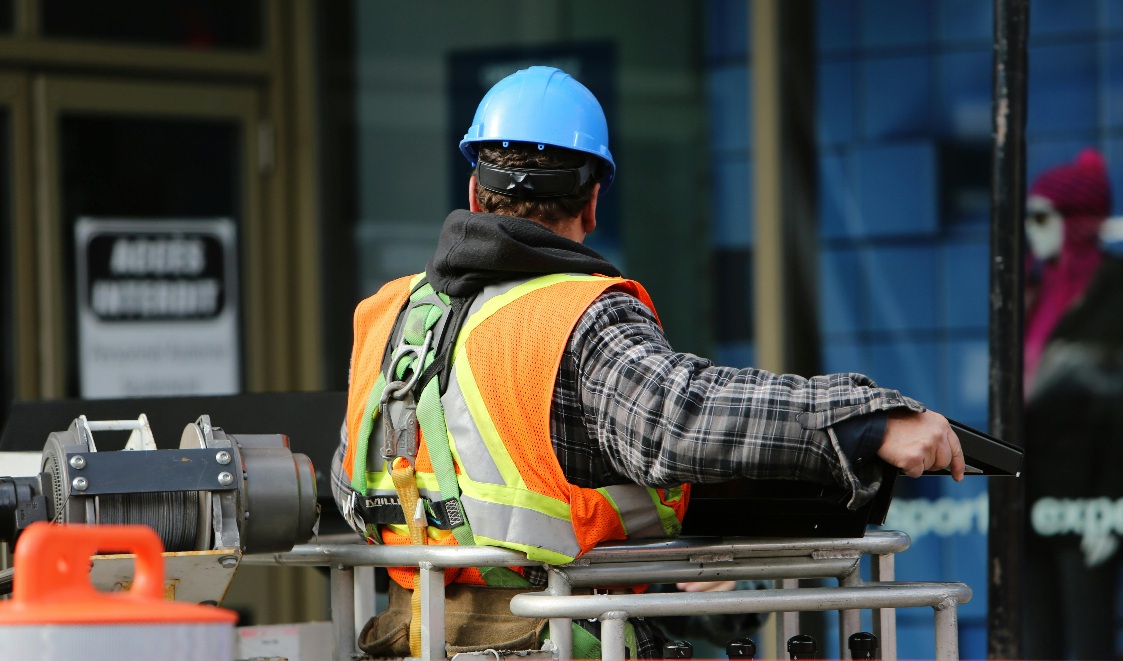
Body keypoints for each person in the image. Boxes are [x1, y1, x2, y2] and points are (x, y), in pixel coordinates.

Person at [330, 65, 964, 658]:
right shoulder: (574, 316)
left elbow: (350, 479)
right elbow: (679, 417)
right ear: (593, 202)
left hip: (414, 639)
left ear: (473, 188)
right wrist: (868, 420)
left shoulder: (388, 316)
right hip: (550, 639)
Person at [1021, 149, 1123, 660]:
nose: (1031, 230)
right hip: (1029, 494)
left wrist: (1111, 504)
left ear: (1074, 220)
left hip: (1089, 497)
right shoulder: (1030, 292)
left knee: (1089, 641)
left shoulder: (1114, 293)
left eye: (1042, 216)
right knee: (1036, 641)